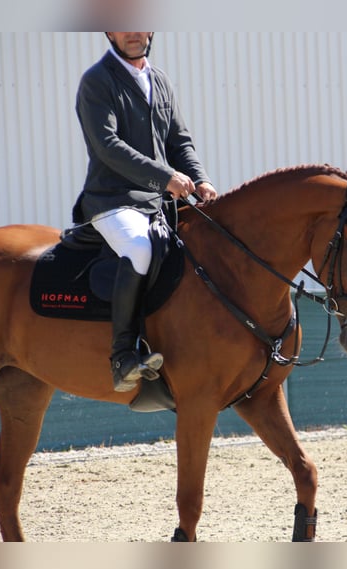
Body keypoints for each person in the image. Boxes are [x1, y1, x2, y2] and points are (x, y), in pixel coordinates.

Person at [73, 32, 217, 392]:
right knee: (140, 247)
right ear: (109, 32)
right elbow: (108, 147)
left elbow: (179, 141)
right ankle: (123, 356)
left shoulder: (160, 81)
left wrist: (201, 180)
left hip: (157, 201)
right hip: (112, 199)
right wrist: (165, 177)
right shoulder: (97, 81)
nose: (134, 32)